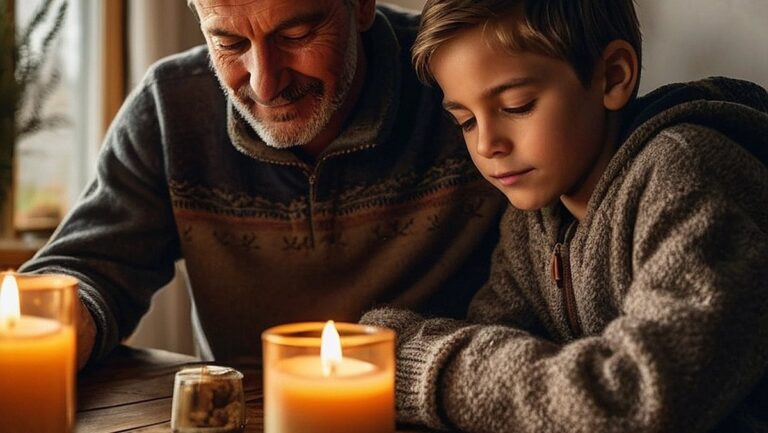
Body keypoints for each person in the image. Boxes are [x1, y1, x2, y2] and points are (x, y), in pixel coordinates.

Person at [20, 0, 505, 368]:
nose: (264, 83)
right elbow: (90, 268)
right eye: (229, 44)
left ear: (360, 6)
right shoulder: (171, 108)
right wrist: (61, 321)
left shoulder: (463, 77)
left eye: (296, 34)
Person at [360, 1, 768, 432]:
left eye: (516, 106)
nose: (487, 144)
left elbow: (640, 400)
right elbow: (495, 368)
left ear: (612, 76)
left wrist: (423, 366)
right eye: (465, 121)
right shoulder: (534, 220)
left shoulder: (687, 175)